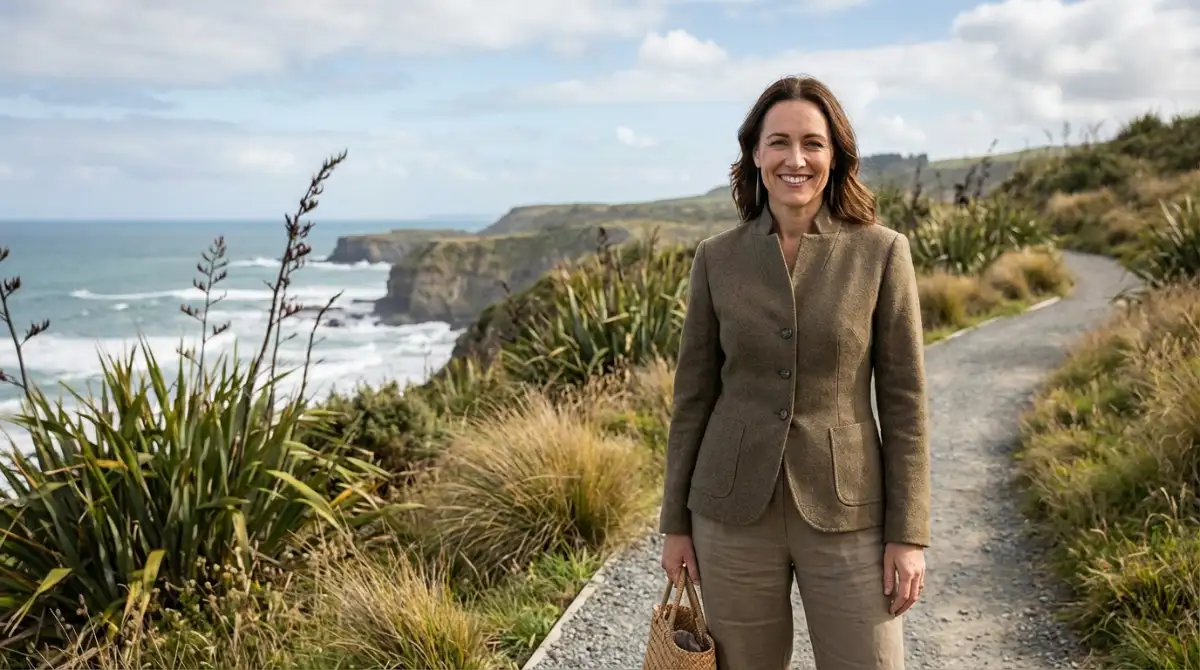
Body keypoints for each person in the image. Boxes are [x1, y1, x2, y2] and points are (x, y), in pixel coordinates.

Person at [658, 74, 931, 670]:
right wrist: (674, 523)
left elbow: (906, 401)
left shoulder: (881, 252)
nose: (795, 159)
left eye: (812, 142)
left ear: (835, 155)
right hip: (729, 513)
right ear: (755, 153)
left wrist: (908, 534)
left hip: (849, 510)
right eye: (778, 142)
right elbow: (693, 398)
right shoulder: (717, 258)